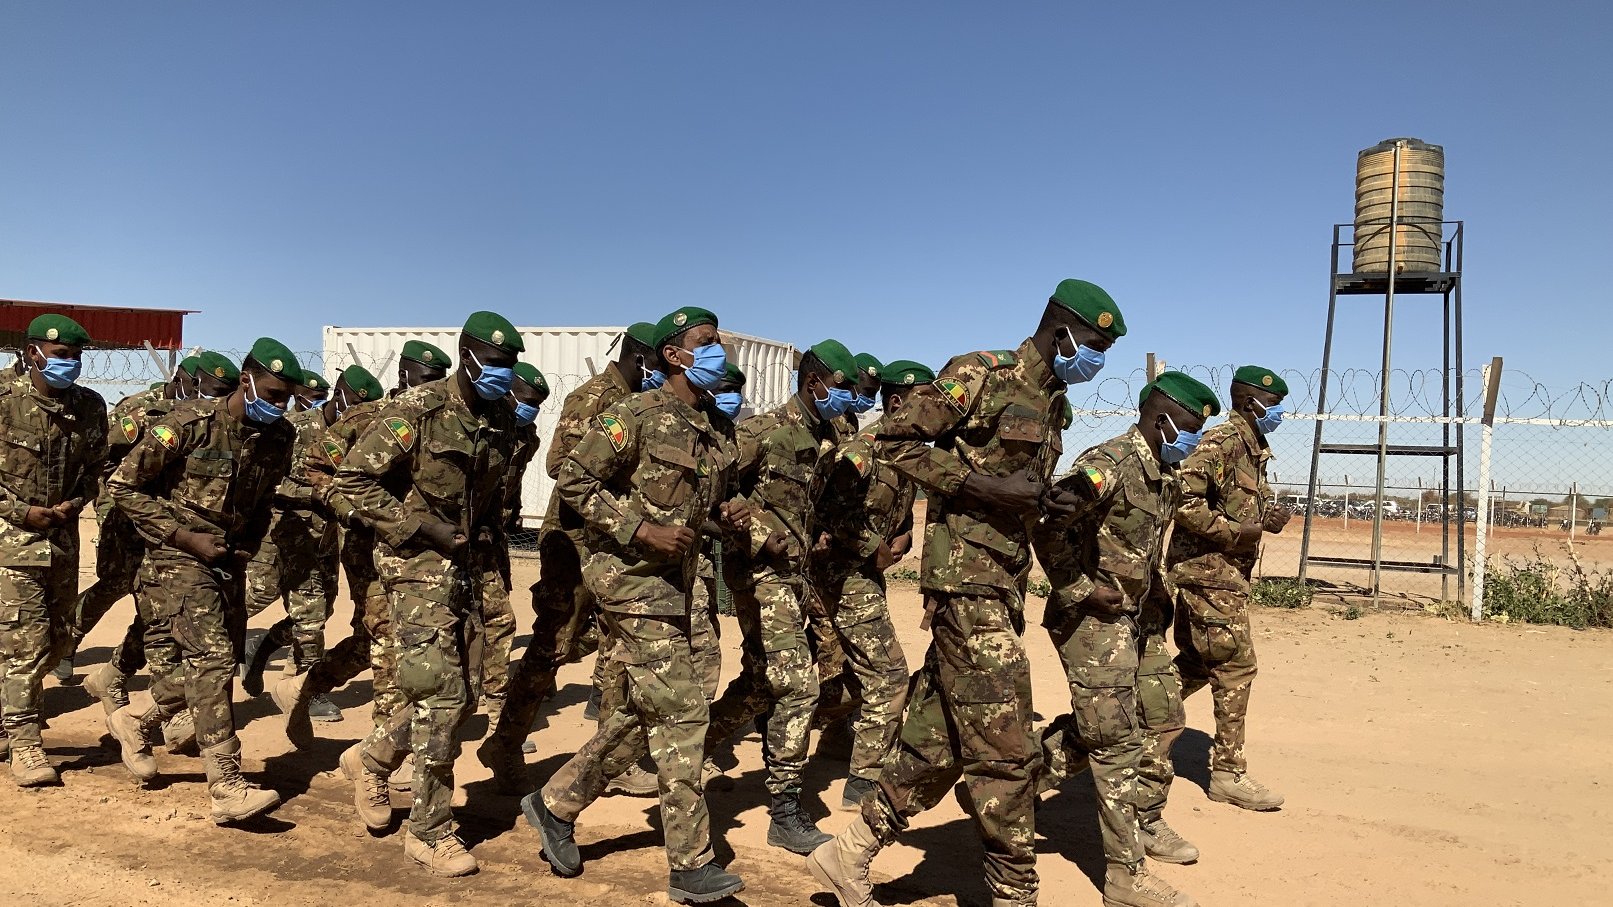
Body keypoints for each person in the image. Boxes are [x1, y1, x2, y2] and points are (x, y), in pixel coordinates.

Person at [808, 278, 1120, 907]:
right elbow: (896, 441)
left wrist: (1046, 501)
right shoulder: (982, 373)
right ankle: (1013, 892)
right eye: (1092, 344)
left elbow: (1020, 485)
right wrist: (979, 487)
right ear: (1061, 332)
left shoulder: (1053, 399)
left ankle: (848, 853)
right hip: (964, 582)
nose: (1096, 361)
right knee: (1005, 750)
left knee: (938, 737)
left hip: (1003, 583)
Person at [521, 305, 751, 904]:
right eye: (706, 344)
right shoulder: (635, 415)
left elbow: (698, 504)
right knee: (681, 712)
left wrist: (725, 517)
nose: (717, 353)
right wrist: (637, 529)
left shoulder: (714, 430)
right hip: (632, 584)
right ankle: (691, 864)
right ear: (674, 355)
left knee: (649, 712)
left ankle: (554, 803)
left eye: (718, 344)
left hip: (687, 585)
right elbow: (571, 477)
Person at [328, 312, 524, 875]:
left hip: (469, 563)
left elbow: (487, 494)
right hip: (414, 564)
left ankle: (371, 758)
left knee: (464, 695)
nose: (503, 375)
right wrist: (418, 526)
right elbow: (351, 482)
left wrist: (485, 538)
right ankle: (430, 830)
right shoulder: (417, 412)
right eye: (496, 364)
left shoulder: (503, 419)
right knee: (440, 695)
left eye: (510, 366)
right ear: (466, 356)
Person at [1034, 370, 1216, 907]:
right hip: (1092, 621)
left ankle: (1025, 786)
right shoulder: (1108, 464)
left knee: (1162, 717)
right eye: (1185, 430)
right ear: (1160, 421)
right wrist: (1081, 587)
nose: (1191, 442)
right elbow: (1048, 524)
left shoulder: (1164, 469)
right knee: (1114, 743)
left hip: (1138, 620)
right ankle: (1124, 877)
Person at [104, 338, 302, 824]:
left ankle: (137, 719)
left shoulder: (280, 438)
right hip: (174, 556)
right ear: (246, 380)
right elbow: (123, 485)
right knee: (213, 660)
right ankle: (226, 785)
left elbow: (262, 499)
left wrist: (249, 542)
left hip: (225, 559)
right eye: (272, 394)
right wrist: (180, 535)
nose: (278, 406)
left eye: (285, 399)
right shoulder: (189, 425)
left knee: (217, 660)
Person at [476, 322, 663, 794]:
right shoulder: (594, 397)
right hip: (574, 542)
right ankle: (504, 741)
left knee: (618, 647)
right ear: (641, 356)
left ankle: (612, 761)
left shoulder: (643, 403)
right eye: (660, 361)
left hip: (613, 543)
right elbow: (561, 464)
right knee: (553, 644)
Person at [703, 339, 861, 854]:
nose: (846, 398)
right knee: (797, 686)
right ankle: (786, 809)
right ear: (813, 382)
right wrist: (754, 537)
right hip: (759, 575)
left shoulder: (828, 438)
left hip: (799, 575)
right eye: (840, 387)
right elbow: (708, 487)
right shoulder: (763, 431)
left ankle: (691, 745)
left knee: (760, 684)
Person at [1163, 366, 1290, 812]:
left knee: (1198, 663)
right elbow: (1182, 497)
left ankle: (1137, 721)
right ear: (1251, 402)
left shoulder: (1255, 448)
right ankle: (1228, 772)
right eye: (1273, 406)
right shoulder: (1222, 442)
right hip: (1208, 574)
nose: (1277, 414)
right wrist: (1236, 533)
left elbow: (1245, 501)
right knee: (1236, 666)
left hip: (1225, 575)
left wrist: (1267, 517)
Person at [76, 352, 236, 703]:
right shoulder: (143, 411)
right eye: (213, 391)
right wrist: (111, 513)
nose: (218, 400)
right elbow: (107, 464)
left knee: (159, 609)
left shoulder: (213, 421)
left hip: (169, 530)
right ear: (185, 381)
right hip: (128, 520)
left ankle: (124, 679)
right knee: (123, 590)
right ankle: (67, 641)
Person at [808, 358, 930, 809]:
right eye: (924, 402)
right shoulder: (864, 450)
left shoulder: (909, 452)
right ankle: (864, 780)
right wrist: (871, 545)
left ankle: (801, 716)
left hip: (865, 576)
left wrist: (903, 535)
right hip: (841, 575)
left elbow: (899, 509)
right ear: (896, 403)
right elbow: (828, 509)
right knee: (889, 673)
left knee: (856, 676)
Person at [0, 314, 108, 785]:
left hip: (62, 541)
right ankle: (24, 742)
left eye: (76, 356)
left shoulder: (89, 406)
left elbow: (95, 469)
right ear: (32, 353)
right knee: (24, 641)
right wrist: (19, 511)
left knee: (59, 639)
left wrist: (75, 502)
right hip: (10, 541)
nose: (71, 364)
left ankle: (8, 715)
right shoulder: (3, 397)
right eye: (62, 355)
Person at [268, 364, 399, 745]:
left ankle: (302, 688)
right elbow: (314, 472)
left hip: (416, 551)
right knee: (385, 635)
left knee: (376, 637)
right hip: (350, 541)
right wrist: (347, 508)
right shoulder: (354, 421)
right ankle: (382, 751)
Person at [239, 368, 374, 722]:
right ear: (341, 396)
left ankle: (265, 648)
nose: (361, 414)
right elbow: (269, 482)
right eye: (357, 405)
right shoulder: (296, 429)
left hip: (325, 540)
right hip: (283, 534)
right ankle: (306, 687)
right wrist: (311, 494)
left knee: (316, 614)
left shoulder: (362, 437)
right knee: (256, 599)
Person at [465, 361, 550, 725]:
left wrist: (510, 513)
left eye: (537, 404)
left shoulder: (527, 437)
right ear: (509, 393)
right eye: (526, 401)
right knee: (471, 622)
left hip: (492, 539)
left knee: (496, 619)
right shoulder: (482, 425)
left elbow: (508, 483)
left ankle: (495, 704)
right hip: (456, 537)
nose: (530, 410)